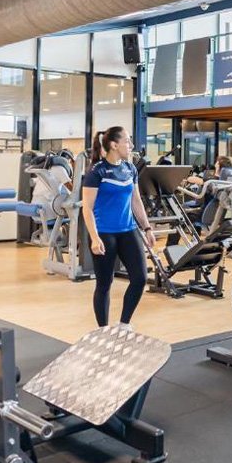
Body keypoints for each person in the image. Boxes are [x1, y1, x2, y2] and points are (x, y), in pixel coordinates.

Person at [82, 127, 155, 328]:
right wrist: (95, 238)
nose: (131, 145)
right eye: (127, 141)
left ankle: (124, 324)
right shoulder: (96, 172)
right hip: (104, 233)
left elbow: (136, 201)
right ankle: (103, 330)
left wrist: (147, 228)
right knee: (104, 284)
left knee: (140, 278)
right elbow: (87, 208)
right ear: (114, 145)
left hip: (128, 231)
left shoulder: (130, 169)